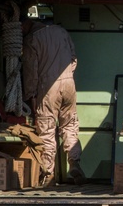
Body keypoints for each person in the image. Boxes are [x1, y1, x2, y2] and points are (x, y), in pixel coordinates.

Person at [22, 18, 85, 186]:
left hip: (48, 86)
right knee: (70, 124)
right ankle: (74, 162)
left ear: (27, 25)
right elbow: (73, 58)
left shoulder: (32, 39)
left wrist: (30, 95)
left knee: (47, 128)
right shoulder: (61, 31)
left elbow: (31, 70)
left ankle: (47, 173)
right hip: (69, 82)